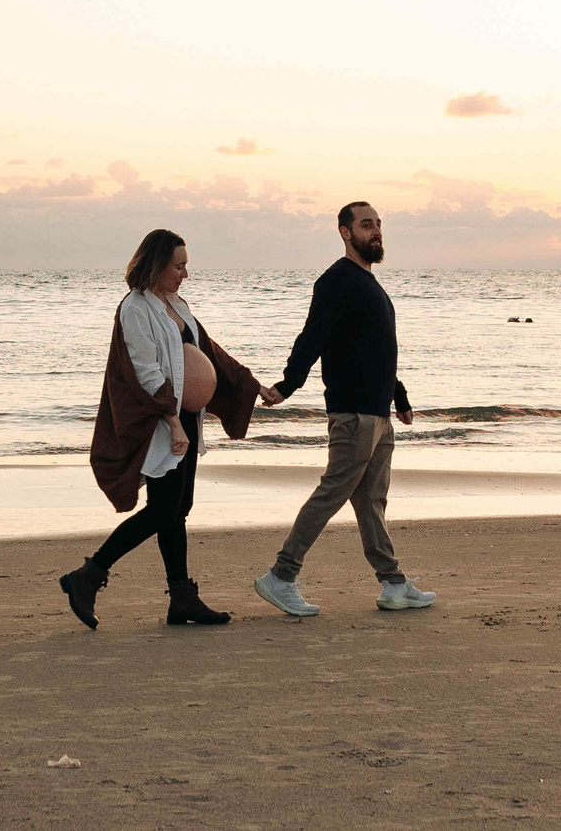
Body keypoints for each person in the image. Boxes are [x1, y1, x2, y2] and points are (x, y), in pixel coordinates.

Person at [60, 228, 282, 629]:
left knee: (177, 509)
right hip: (160, 423)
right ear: (158, 264)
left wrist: (252, 384)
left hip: (185, 420)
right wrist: (173, 423)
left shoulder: (177, 304)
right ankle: (89, 575)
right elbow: (145, 372)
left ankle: (181, 599)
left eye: (185, 266)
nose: (185, 274)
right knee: (163, 509)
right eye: (179, 266)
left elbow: (209, 352)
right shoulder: (135, 308)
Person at [251, 201, 437, 618]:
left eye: (379, 225)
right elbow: (312, 337)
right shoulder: (337, 280)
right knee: (333, 492)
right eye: (366, 224)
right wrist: (287, 385)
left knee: (372, 502)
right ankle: (281, 575)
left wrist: (399, 396)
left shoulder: (369, 284)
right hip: (353, 413)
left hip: (377, 412)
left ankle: (393, 584)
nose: (376, 231)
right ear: (345, 232)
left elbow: (377, 350)